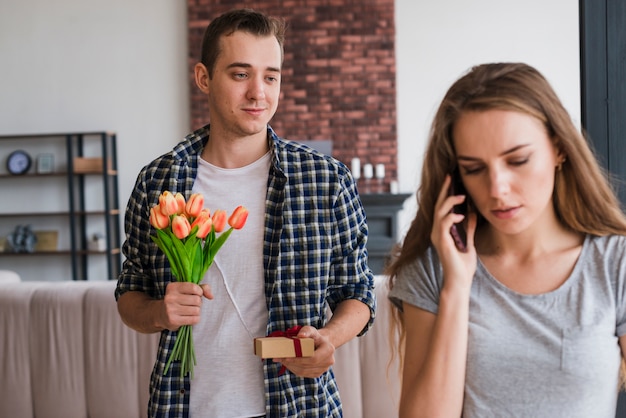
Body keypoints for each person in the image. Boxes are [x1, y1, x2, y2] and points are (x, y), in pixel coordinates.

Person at [115, 8, 376, 418]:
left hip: (297, 405)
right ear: (204, 78)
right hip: (183, 406)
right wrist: (157, 313)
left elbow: (358, 293)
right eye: (240, 75)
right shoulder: (158, 181)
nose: (259, 92)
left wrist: (329, 338)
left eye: (270, 76)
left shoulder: (326, 179)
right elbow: (130, 293)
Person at [387, 62, 626, 418]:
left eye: (518, 160)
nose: (497, 189)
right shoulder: (432, 268)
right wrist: (456, 285)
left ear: (559, 149)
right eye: (474, 169)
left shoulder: (615, 262)